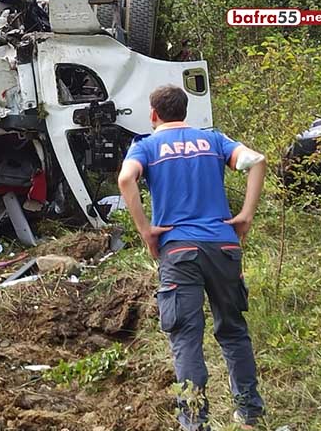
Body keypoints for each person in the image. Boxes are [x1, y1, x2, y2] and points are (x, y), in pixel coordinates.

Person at [117, 85, 266, 430]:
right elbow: (256, 161)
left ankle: (195, 423)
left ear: (153, 114)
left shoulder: (146, 145)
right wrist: (245, 216)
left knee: (186, 338)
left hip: (179, 249)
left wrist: (145, 230)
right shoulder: (213, 140)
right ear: (185, 111)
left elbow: (126, 179)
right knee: (233, 332)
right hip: (224, 246)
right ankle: (249, 414)